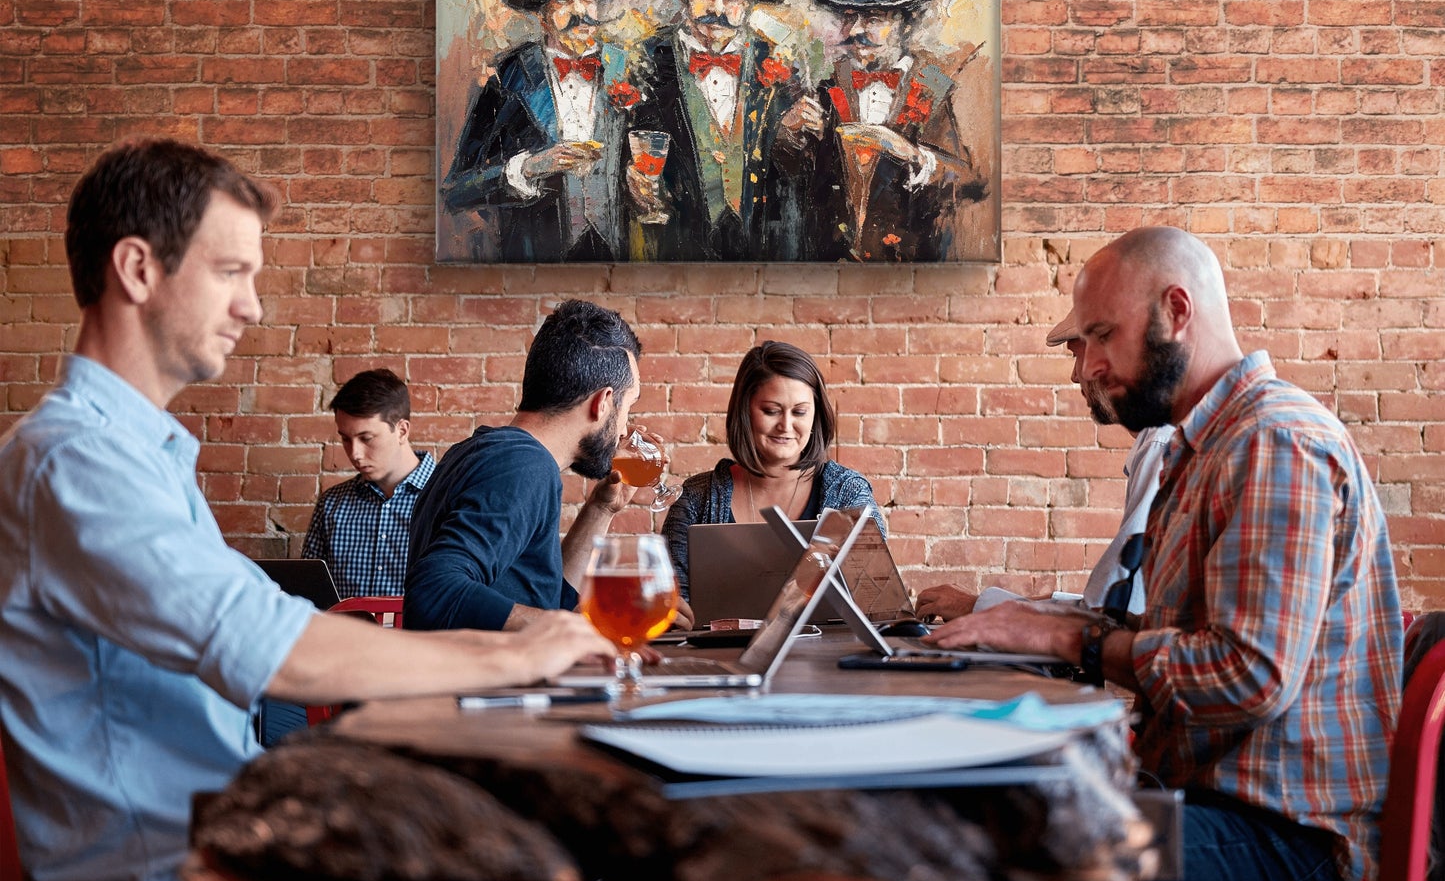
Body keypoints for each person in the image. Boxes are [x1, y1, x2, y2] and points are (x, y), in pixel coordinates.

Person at [0, 139, 609, 881]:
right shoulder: (76, 461)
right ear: (138, 269)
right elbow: (277, 648)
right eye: (231, 273)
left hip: (224, 837)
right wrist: (522, 655)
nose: (252, 306)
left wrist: (523, 647)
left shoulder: (126, 449)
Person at [929, 226, 1401, 881]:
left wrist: (1069, 640)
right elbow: (1181, 632)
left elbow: (1249, 674)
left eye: (1100, 335)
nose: (1084, 366)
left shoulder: (1274, 441)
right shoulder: (1205, 445)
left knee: (1005, 852)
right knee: (979, 805)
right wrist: (1028, 619)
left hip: (1293, 844)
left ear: (1176, 312)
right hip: (1218, 808)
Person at [405, 299, 668, 632]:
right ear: (603, 403)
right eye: (628, 406)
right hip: (483, 683)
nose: (624, 429)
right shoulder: (523, 465)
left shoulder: (484, 452)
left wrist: (602, 508)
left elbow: (546, 607)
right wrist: (583, 630)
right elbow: (433, 594)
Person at [916, 306, 1174, 622]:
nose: (1076, 374)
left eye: (1078, 357)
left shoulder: (1161, 445)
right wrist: (986, 605)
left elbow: (1106, 619)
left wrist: (978, 607)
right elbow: (1103, 608)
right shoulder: (1153, 442)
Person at [441, 0, 636, 262]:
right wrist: (529, 167)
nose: (579, 11)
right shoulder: (511, 74)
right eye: (563, 1)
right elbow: (458, 189)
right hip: (535, 255)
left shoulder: (628, 66)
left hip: (622, 254)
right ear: (542, 15)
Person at [628, 0, 819, 260]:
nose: (717, 9)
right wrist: (634, 185)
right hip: (676, 246)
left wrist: (790, 136)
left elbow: (800, 171)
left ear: (747, 4)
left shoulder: (778, 64)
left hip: (760, 245)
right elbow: (623, 154)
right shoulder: (646, 60)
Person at [806, 0, 988, 262]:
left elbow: (972, 182)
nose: (856, 31)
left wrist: (911, 153)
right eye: (850, 17)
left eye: (872, 19)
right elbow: (803, 181)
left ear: (905, 24)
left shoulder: (938, 85)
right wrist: (792, 135)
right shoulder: (829, 83)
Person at [662, 340, 884, 603]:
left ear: (816, 416)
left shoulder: (849, 494)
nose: (786, 425)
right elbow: (672, 603)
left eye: (800, 412)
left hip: (829, 645)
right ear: (745, 412)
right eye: (771, 411)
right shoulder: (696, 499)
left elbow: (877, 600)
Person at [302, 368, 436, 599]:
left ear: (402, 430)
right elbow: (308, 593)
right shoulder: (332, 504)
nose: (355, 453)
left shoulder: (447, 498)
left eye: (366, 439)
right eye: (345, 438)